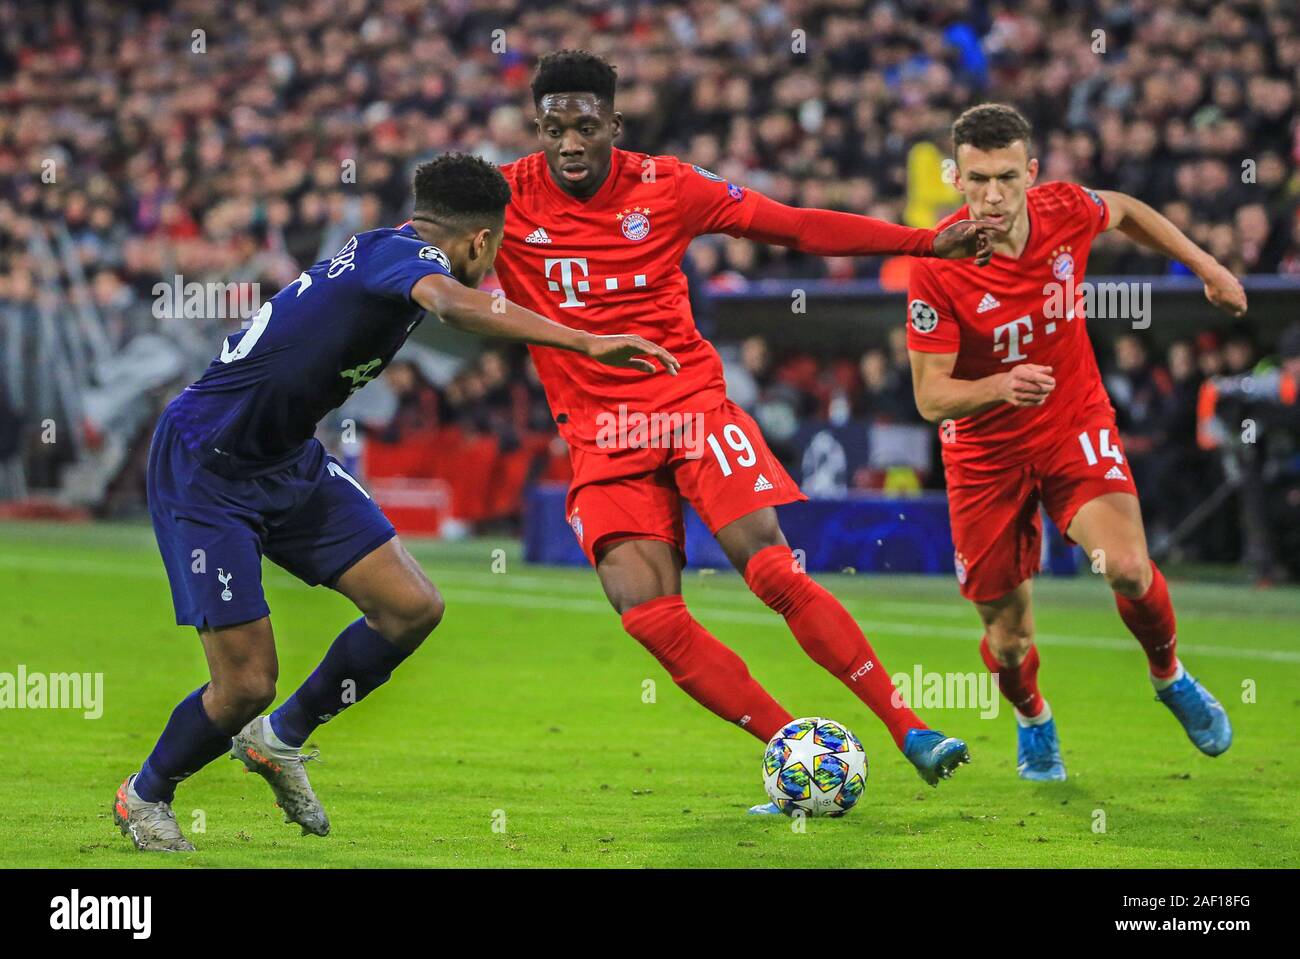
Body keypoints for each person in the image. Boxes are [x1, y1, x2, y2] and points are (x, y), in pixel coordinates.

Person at [113, 153, 678, 851]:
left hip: (287, 459)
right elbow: (452, 304)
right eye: (494, 247)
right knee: (246, 683)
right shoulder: (403, 257)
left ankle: (279, 739)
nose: (494, 261)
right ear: (478, 240)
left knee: (411, 608)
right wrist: (585, 340)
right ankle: (146, 793)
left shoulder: (384, 252)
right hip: (208, 466)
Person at [492, 50, 1003, 812]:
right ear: (538, 128)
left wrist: (923, 242)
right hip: (602, 439)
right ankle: (798, 749)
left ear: (614, 126)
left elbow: (795, 227)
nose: (568, 143)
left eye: (585, 126)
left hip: (690, 407)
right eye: (553, 127)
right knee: (650, 616)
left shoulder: (669, 187)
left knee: (770, 570)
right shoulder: (503, 196)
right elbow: (417, 247)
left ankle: (909, 728)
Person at [906, 103, 1246, 781]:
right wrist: (1002, 385)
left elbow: (1123, 208)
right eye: (977, 180)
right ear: (957, 179)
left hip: (1072, 424)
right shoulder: (937, 265)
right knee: (1008, 642)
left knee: (1126, 565)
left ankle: (1170, 674)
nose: (993, 196)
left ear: (1031, 173)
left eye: (1006, 177)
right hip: (982, 456)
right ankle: (1034, 717)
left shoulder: (1065, 211)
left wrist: (1207, 265)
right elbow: (930, 396)